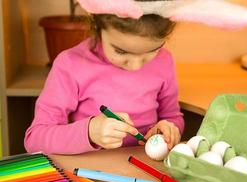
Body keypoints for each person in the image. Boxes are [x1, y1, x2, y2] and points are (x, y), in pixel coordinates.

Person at [25, 12, 184, 154]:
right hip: (91, 174)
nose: (135, 66)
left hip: (145, 171)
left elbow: (172, 116)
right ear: (97, 26)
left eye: (152, 50)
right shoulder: (71, 64)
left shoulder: (164, 60)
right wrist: (89, 132)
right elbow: (34, 139)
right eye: (120, 51)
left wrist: (168, 130)